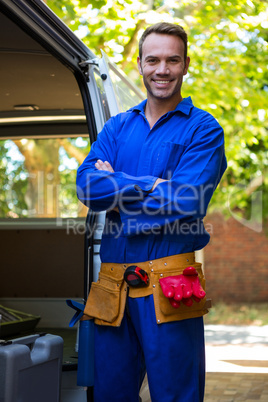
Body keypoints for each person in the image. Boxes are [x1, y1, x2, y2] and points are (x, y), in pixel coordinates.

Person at [77, 22, 227, 402]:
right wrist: (151, 185)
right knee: (111, 395)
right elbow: (86, 186)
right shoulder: (116, 127)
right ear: (141, 64)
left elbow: (187, 200)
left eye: (172, 60)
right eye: (154, 60)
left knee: (176, 395)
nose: (163, 69)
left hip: (172, 286)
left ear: (185, 64)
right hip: (112, 289)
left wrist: (117, 185)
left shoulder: (203, 130)